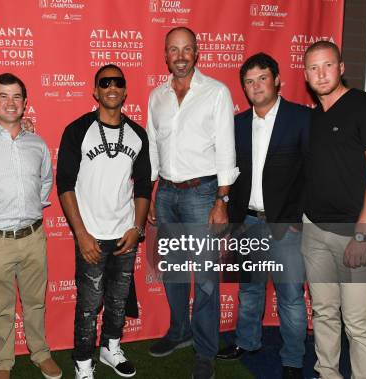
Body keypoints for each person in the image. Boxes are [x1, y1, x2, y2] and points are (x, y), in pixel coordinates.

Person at [146, 27, 239, 379]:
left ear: (197, 52)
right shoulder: (156, 96)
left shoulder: (216, 92)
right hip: (167, 193)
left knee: (205, 279)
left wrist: (222, 200)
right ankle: (179, 330)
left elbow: (227, 148)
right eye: (173, 49)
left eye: (187, 49)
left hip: (204, 193)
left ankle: (205, 350)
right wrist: (153, 190)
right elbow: (154, 146)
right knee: (173, 270)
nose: (180, 55)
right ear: (166, 55)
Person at [302, 41, 366, 378]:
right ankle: (327, 372)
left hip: (356, 235)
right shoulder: (313, 118)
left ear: (341, 67)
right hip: (315, 231)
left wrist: (362, 234)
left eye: (328, 65)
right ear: (306, 74)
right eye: (313, 67)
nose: (321, 73)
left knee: (358, 321)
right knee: (325, 313)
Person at [215, 53, 308, 379]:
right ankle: (247, 341)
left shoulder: (301, 119)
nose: (256, 86)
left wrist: (298, 218)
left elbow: (313, 172)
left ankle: (294, 360)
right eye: (249, 81)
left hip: (287, 226)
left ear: (277, 79)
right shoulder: (237, 124)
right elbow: (228, 170)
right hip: (248, 223)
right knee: (250, 290)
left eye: (262, 78)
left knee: (291, 298)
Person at [57, 64, 151, 379]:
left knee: (117, 298)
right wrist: (81, 234)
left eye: (118, 82)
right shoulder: (77, 130)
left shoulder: (138, 135)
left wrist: (137, 229)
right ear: (96, 91)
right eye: (104, 82)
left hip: (124, 232)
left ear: (125, 90)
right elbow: (65, 185)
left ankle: (111, 347)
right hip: (92, 234)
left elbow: (142, 186)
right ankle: (83, 361)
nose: (111, 87)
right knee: (88, 304)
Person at [0, 73, 61, 379]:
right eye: (3, 96)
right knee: (2, 307)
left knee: (36, 303)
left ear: (25, 102)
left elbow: (46, 181)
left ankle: (40, 353)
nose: (10, 102)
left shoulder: (37, 143)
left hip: (34, 236)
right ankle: (3, 362)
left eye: (17, 96)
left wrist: (29, 208)